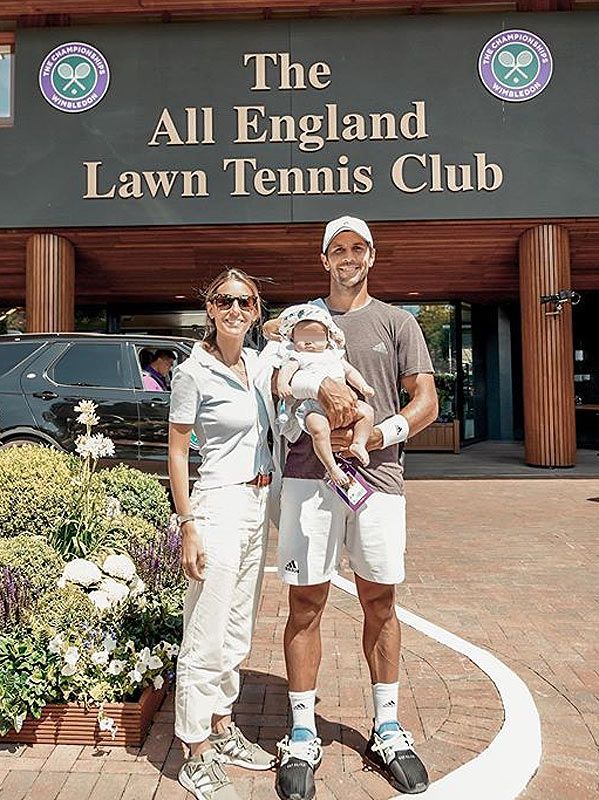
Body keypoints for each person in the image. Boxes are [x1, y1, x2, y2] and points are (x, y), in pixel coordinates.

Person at [271, 216, 438, 800]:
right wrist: (314, 388)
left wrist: (381, 431)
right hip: (306, 476)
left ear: (372, 256)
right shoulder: (299, 318)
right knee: (305, 600)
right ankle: (300, 732)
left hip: (376, 476)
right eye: (338, 249)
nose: (348, 257)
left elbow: (426, 401)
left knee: (380, 598)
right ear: (324, 258)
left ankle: (388, 728)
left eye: (358, 248)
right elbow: (273, 380)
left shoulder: (398, 321)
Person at [168, 269, 275, 800]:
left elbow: (297, 341)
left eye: (246, 301)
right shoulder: (193, 372)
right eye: (226, 300)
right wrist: (187, 523)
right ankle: (194, 751)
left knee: (237, 628)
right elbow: (178, 451)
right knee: (206, 630)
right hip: (217, 504)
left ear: (256, 310)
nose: (236, 309)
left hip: (257, 502)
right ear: (210, 308)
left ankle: (222, 724)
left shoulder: (256, 363)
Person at [272, 303, 375, 488]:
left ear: (328, 339)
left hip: (347, 405)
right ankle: (332, 466)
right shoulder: (298, 356)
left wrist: (363, 385)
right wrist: (283, 384)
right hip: (313, 407)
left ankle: (359, 443)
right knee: (318, 430)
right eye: (302, 337)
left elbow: (350, 372)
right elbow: (286, 371)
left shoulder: (334, 356)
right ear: (293, 339)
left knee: (367, 412)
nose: (308, 342)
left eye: (315, 336)